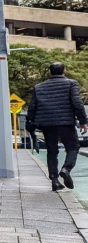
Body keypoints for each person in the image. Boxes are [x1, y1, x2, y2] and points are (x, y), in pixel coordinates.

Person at [27, 62, 88, 191]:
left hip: (46, 124)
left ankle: (54, 181)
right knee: (73, 147)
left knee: (52, 151)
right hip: (65, 123)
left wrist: (30, 121)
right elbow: (77, 103)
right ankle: (66, 169)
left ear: (50, 72)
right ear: (64, 71)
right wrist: (83, 121)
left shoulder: (39, 87)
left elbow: (32, 106)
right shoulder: (71, 84)